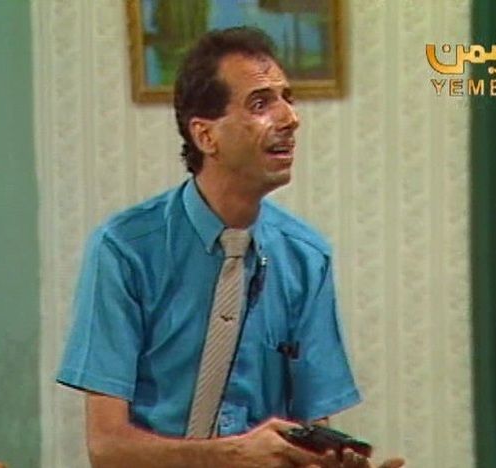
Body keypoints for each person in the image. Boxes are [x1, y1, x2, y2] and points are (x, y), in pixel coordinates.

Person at [57, 26, 404, 468]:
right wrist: (230, 456)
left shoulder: (306, 258)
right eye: (260, 103)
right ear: (206, 136)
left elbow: (310, 435)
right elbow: (107, 449)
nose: (290, 118)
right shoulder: (125, 250)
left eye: (287, 98)